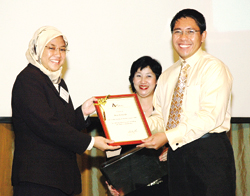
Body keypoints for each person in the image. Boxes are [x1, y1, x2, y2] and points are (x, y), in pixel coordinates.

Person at [11, 26, 120, 196]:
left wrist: (83, 112)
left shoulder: (59, 83)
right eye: (51, 47)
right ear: (38, 49)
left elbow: (65, 124)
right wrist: (90, 142)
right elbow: (47, 125)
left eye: (62, 49)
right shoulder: (28, 80)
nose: (58, 54)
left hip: (60, 180)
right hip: (38, 181)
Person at [138, 9, 236, 196]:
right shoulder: (167, 75)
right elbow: (160, 117)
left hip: (209, 153)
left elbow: (210, 117)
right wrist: (135, 127)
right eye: (177, 31)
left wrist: (167, 137)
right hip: (176, 155)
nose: (183, 37)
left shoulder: (213, 68)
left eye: (190, 31)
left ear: (203, 35)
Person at [106, 56, 169, 196]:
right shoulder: (120, 108)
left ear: (157, 80)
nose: (143, 81)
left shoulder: (167, 109)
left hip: (164, 180)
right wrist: (113, 182)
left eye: (149, 76)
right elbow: (112, 149)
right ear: (132, 79)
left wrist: (171, 152)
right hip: (130, 182)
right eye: (138, 76)